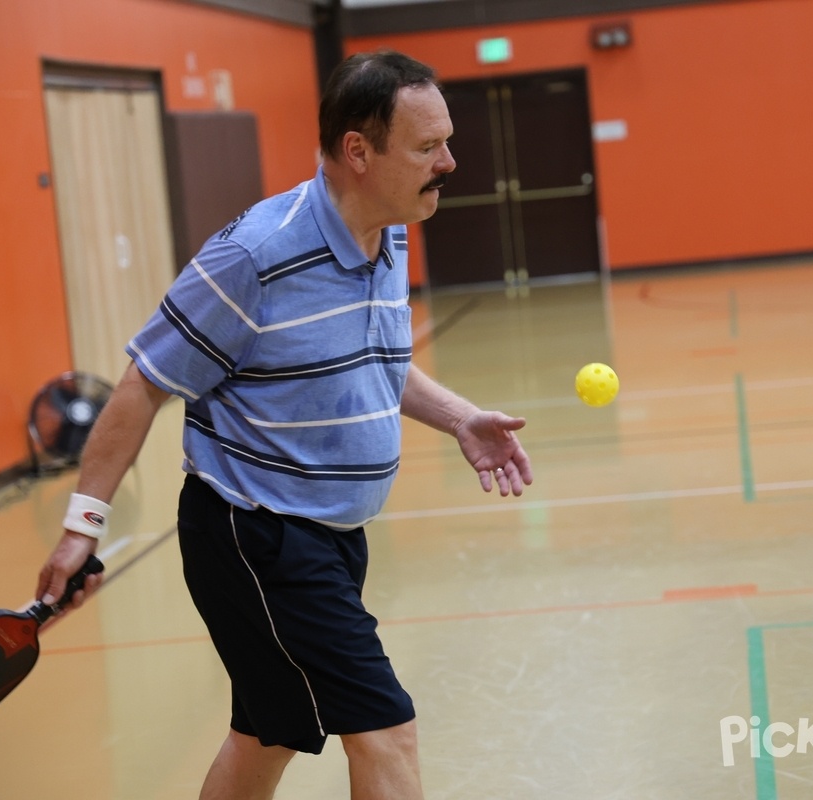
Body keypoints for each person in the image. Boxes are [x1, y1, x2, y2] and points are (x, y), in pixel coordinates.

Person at [36, 51, 533, 800]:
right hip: (257, 533)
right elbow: (143, 385)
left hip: (331, 535)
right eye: (428, 147)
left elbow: (373, 358)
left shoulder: (389, 230)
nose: (450, 162)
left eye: (447, 142)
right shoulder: (255, 258)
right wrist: (84, 525)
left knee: (267, 737)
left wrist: (460, 418)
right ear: (358, 152)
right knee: (386, 729)